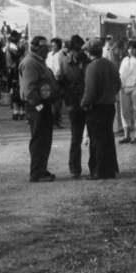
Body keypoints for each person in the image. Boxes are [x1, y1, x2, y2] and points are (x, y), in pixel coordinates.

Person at [19, 34, 59, 182]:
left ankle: (41, 169)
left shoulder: (39, 62)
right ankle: (36, 172)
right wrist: (40, 107)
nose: (47, 51)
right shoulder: (30, 63)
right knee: (39, 140)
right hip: (37, 107)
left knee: (44, 139)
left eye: (47, 48)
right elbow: (30, 90)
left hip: (43, 106)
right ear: (35, 48)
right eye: (44, 48)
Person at [80, 38, 120, 179]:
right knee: (108, 138)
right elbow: (118, 84)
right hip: (109, 106)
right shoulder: (110, 64)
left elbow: (90, 91)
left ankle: (98, 171)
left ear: (89, 52)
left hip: (97, 108)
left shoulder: (92, 67)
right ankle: (110, 169)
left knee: (97, 141)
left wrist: (83, 104)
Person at [60, 35, 89, 179]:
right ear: (71, 50)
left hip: (89, 104)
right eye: (74, 50)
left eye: (79, 50)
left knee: (94, 138)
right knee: (76, 138)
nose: (77, 53)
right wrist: (68, 104)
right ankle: (75, 169)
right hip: (74, 105)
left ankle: (95, 167)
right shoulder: (64, 63)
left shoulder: (90, 63)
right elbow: (62, 85)